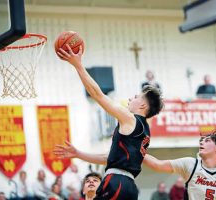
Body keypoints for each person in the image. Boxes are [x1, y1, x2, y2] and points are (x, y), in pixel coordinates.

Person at [54, 45, 164, 200]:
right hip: (128, 186)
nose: (132, 97)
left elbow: (97, 95)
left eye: (137, 97)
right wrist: (78, 154)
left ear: (143, 106)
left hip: (117, 183)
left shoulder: (130, 119)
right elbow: (108, 158)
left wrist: (78, 65)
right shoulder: (144, 131)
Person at [143, 131, 216, 200]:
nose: (201, 142)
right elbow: (157, 164)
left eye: (207, 141)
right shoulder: (190, 164)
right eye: (202, 140)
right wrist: (134, 149)